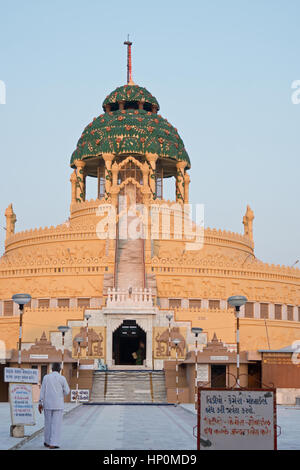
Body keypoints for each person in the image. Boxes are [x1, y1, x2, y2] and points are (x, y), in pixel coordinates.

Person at [38, 362, 70, 449]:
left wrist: (40, 403)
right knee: (56, 424)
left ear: (51, 369)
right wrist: (60, 394)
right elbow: (67, 391)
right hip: (58, 404)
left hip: (47, 404)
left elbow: (42, 391)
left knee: (47, 423)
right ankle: (53, 443)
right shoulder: (62, 378)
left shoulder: (46, 377)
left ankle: (47, 442)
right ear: (60, 370)